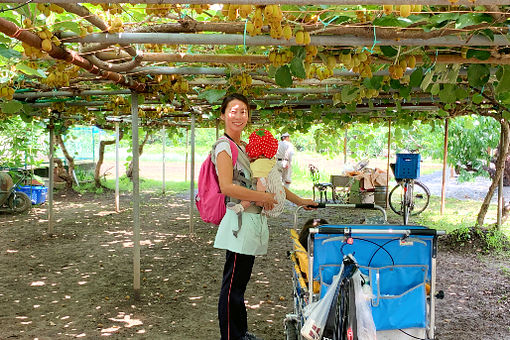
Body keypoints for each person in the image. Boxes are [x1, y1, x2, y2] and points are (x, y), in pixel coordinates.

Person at [212, 93, 317, 340]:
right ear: (223, 115)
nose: (238, 116)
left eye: (243, 111)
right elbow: (226, 187)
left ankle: (240, 332)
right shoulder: (224, 147)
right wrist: (261, 198)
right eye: (233, 111)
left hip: (252, 222)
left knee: (239, 284)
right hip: (239, 223)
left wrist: (300, 201)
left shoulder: (245, 147)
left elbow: (274, 183)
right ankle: (230, 336)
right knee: (232, 286)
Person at [227, 128, 286, 231]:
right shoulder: (268, 160)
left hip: (267, 195)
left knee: (253, 192)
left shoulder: (260, 164)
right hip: (277, 195)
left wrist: (260, 198)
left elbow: (261, 182)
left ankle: (241, 207)